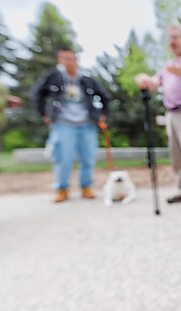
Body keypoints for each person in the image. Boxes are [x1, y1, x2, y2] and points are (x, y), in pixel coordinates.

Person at [135, 24, 181, 213]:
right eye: (170, 39)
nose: (172, 42)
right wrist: (144, 79)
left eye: (176, 37)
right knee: (177, 156)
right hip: (172, 114)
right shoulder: (167, 66)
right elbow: (154, 83)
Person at [32, 47, 109, 203]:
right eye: (65, 59)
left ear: (76, 60)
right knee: (63, 157)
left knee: (88, 157)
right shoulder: (54, 77)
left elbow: (104, 96)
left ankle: (86, 186)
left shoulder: (86, 79)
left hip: (87, 123)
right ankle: (62, 188)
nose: (69, 62)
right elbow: (37, 93)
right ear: (60, 61)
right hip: (63, 123)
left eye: (71, 58)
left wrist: (103, 114)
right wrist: (44, 114)